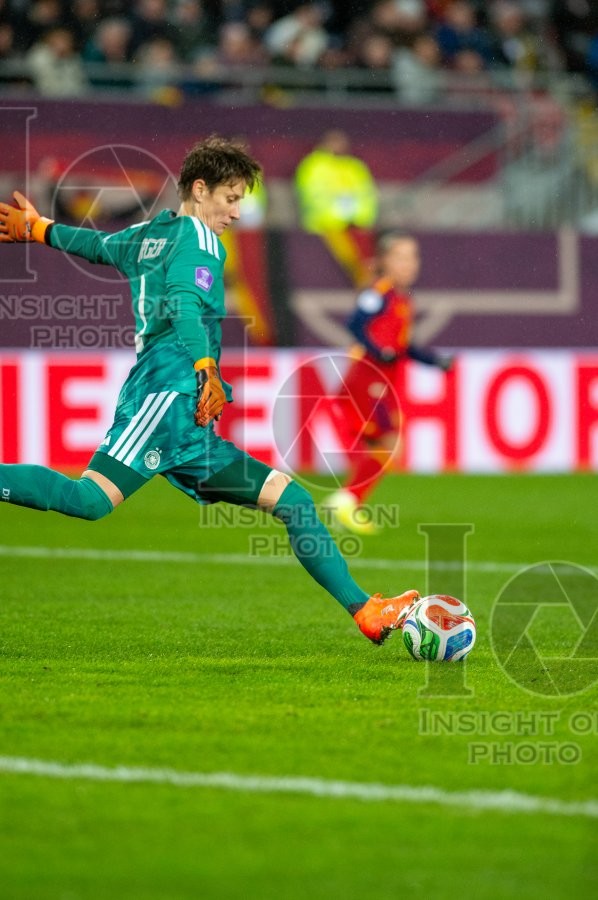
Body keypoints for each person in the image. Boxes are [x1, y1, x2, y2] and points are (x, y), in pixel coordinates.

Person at [0, 135, 419, 646]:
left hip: (188, 419)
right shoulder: (199, 241)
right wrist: (205, 367)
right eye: (231, 197)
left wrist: (41, 229)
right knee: (90, 500)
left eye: (241, 199)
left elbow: (97, 246)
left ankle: (365, 610)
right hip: (166, 399)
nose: (238, 212)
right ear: (200, 190)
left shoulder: (149, 233)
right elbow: (182, 302)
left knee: (293, 502)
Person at [324, 230, 452, 536]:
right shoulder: (379, 292)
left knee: (387, 446)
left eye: (413, 257)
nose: (410, 264)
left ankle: (348, 502)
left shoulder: (401, 299)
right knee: (389, 444)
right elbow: (355, 323)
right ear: (385, 261)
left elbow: (403, 346)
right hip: (369, 379)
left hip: (382, 382)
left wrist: (434, 361)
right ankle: (346, 501)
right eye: (401, 257)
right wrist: (377, 350)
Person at [294, 129, 378, 287]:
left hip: (355, 229)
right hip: (324, 231)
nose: (339, 146)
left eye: (341, 142)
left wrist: (359, 218)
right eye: (334, 141)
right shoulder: (313, 165)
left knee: (364, 270)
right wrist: (337, 215)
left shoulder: (355, 166)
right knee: (327, 277)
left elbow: (368, 196)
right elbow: (312, 196)